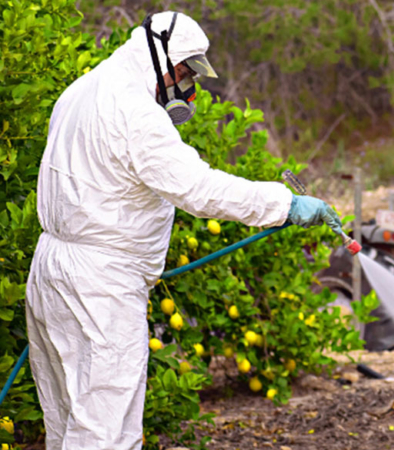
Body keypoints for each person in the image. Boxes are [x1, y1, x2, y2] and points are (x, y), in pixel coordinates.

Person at [24, 11, 342, 450]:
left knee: (66, 422)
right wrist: (284, 204)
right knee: (105, 431)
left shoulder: (84, 89)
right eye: (186, 73)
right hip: (100, 285)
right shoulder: (136, 112)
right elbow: (199, 188)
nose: (188, 87)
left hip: (52, 270)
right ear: (164, 61)